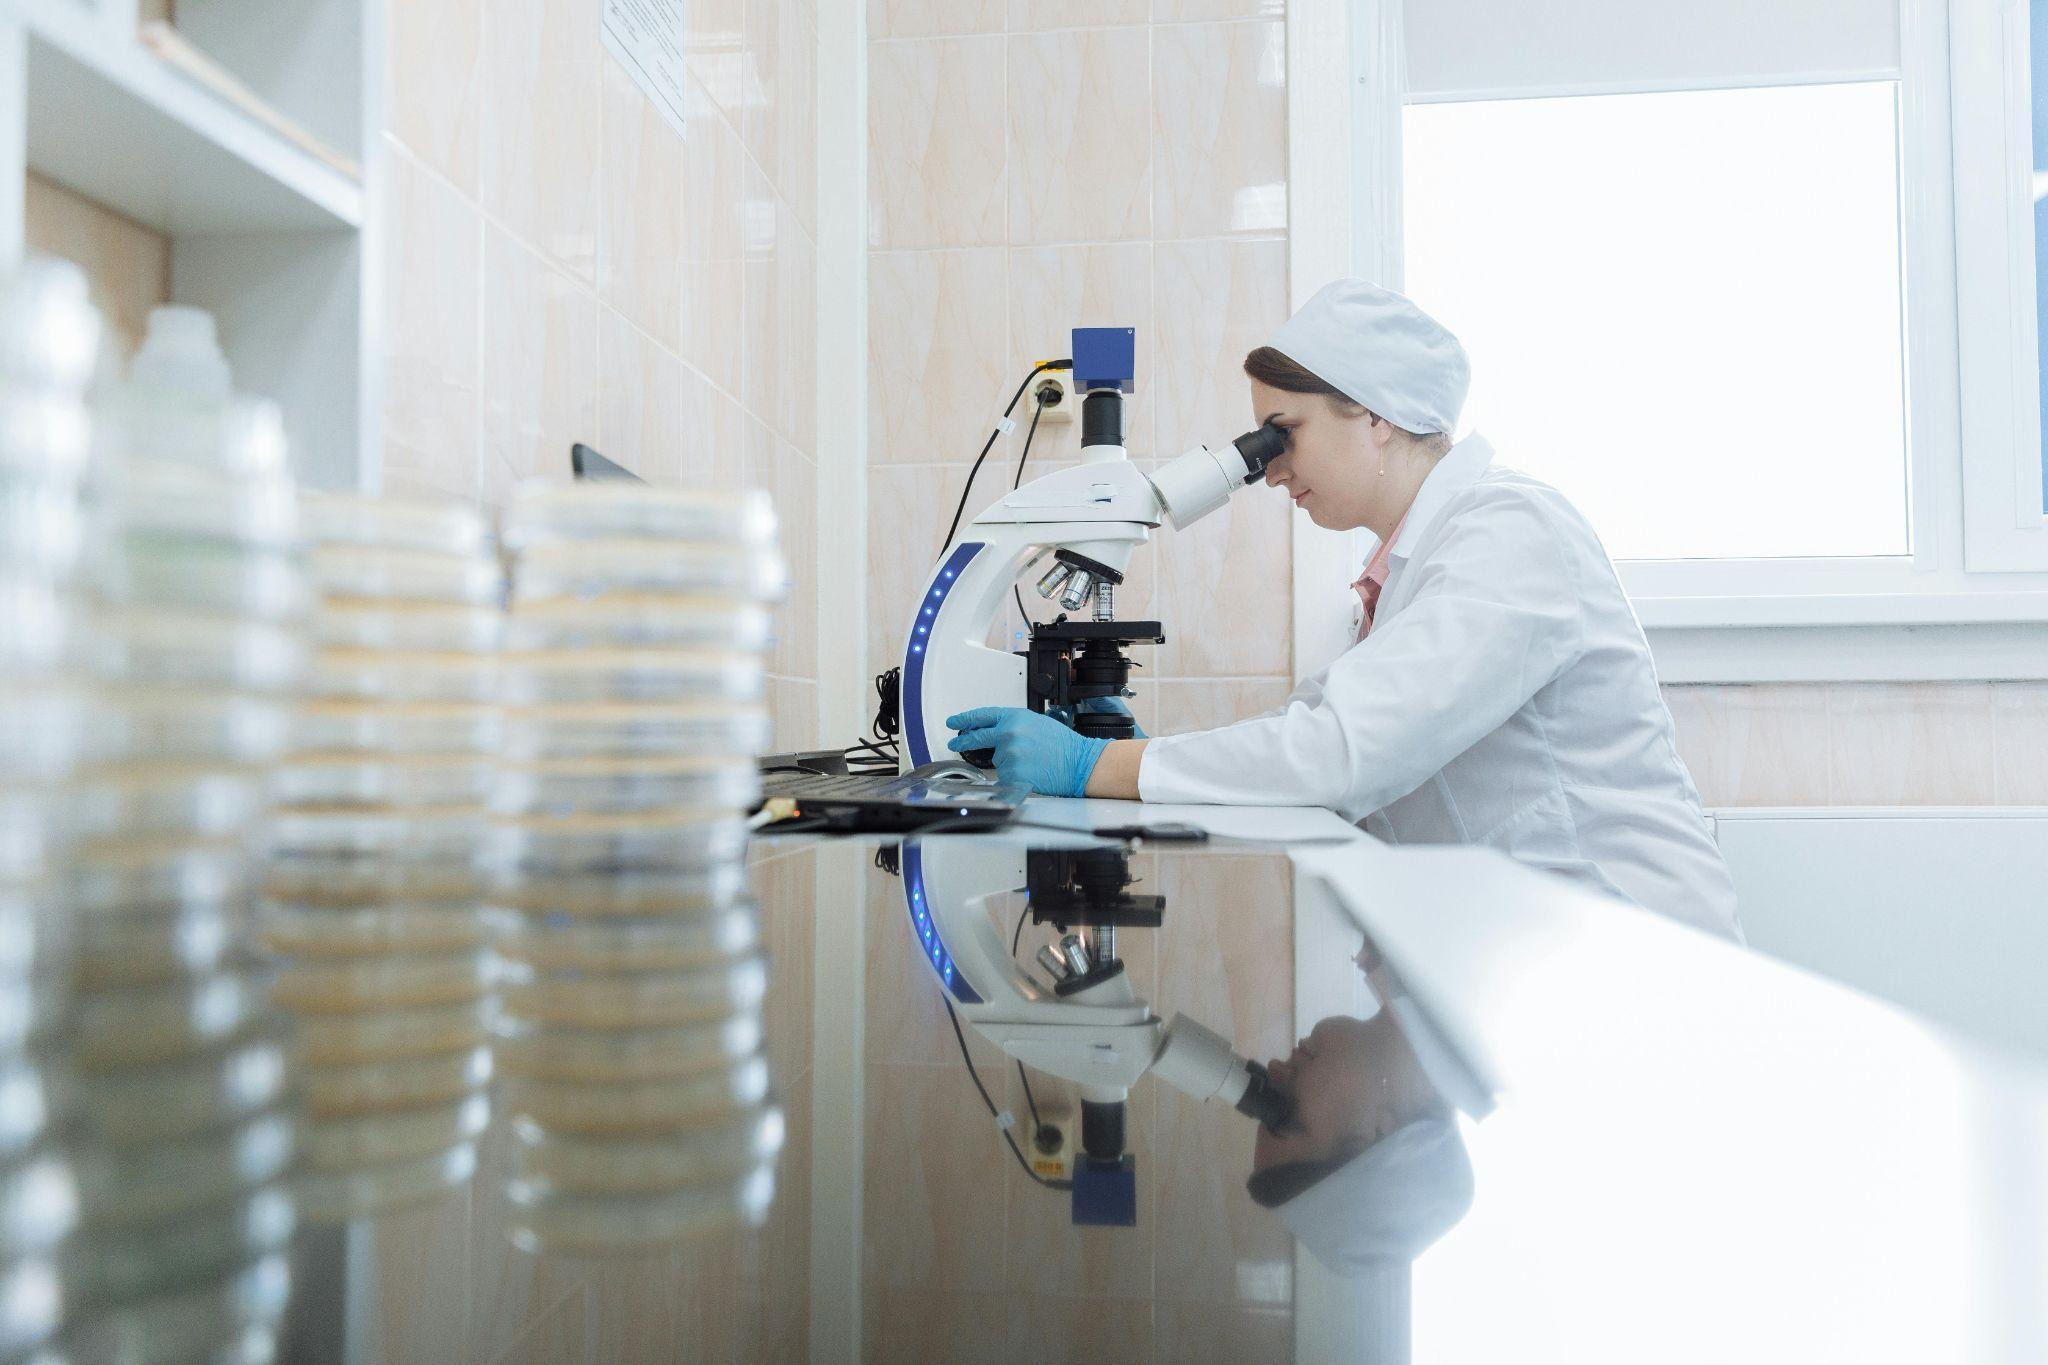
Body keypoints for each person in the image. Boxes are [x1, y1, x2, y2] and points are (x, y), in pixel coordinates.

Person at [947, 279, 1741, 939]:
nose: (1267, 469)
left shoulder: (1510, 531)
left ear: (1378, 414)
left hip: (1625, 948)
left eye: (1280, 433)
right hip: (1531, 948)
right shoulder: (1408, 568)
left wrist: (1097, 768)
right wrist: (1140, 754)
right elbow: (1315, 730)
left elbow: (1339, 753)